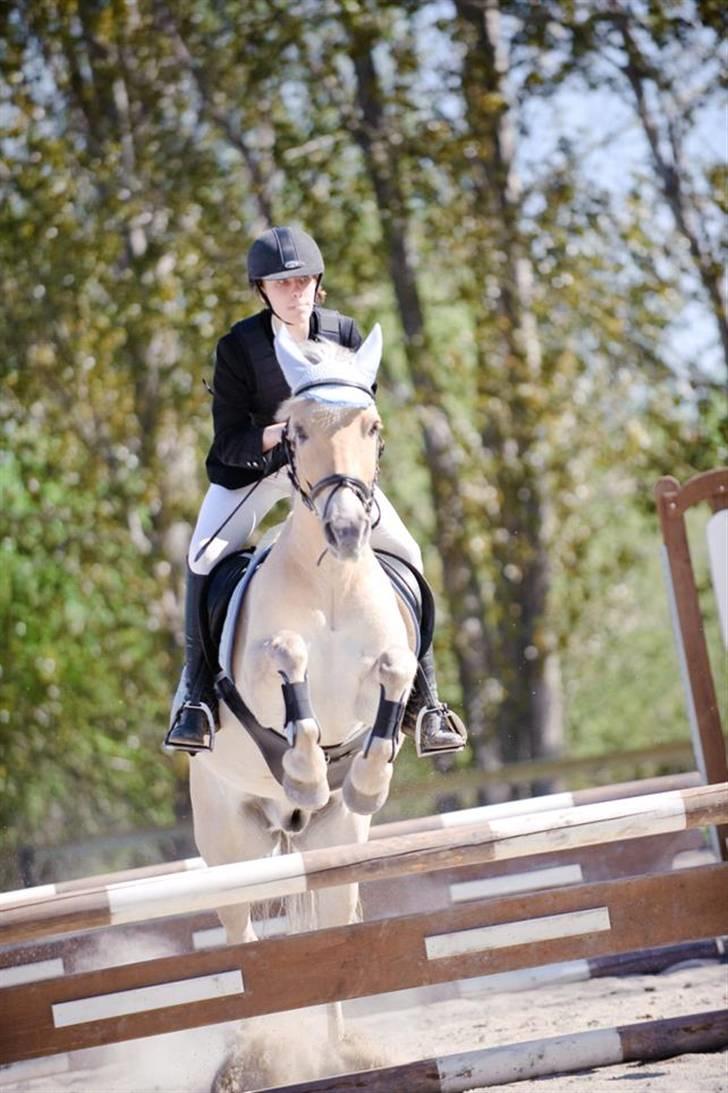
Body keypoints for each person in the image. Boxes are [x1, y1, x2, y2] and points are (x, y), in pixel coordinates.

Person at [165, 225, 466, 757]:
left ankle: (428, 703)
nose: (295, 291)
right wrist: (284, 435)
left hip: (330, 476)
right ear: (261, 289)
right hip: (259, 469)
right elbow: (230, 441)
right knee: (204, 555)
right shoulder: (237, 348)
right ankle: (198, 695)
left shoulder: (344, 335)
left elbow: (364, 419)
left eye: (303, 280)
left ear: (317, 283)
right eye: (282, 284)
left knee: (409, 552)